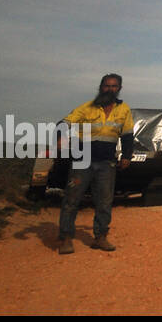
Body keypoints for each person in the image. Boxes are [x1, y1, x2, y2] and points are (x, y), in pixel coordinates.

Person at [57, 74, 134, 253]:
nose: (110, 89)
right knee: (71, 200)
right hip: (81, 161)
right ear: (101, 87)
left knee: (104, 202)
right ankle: (66, 239)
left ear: (119, 89)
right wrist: (61, 137)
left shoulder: (124, 110)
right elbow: (63, 123)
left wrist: (127, 156)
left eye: (114, 86)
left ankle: (100, 237)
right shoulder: (86, 108)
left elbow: (128, 135)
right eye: (107, 86)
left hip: (106, 163)